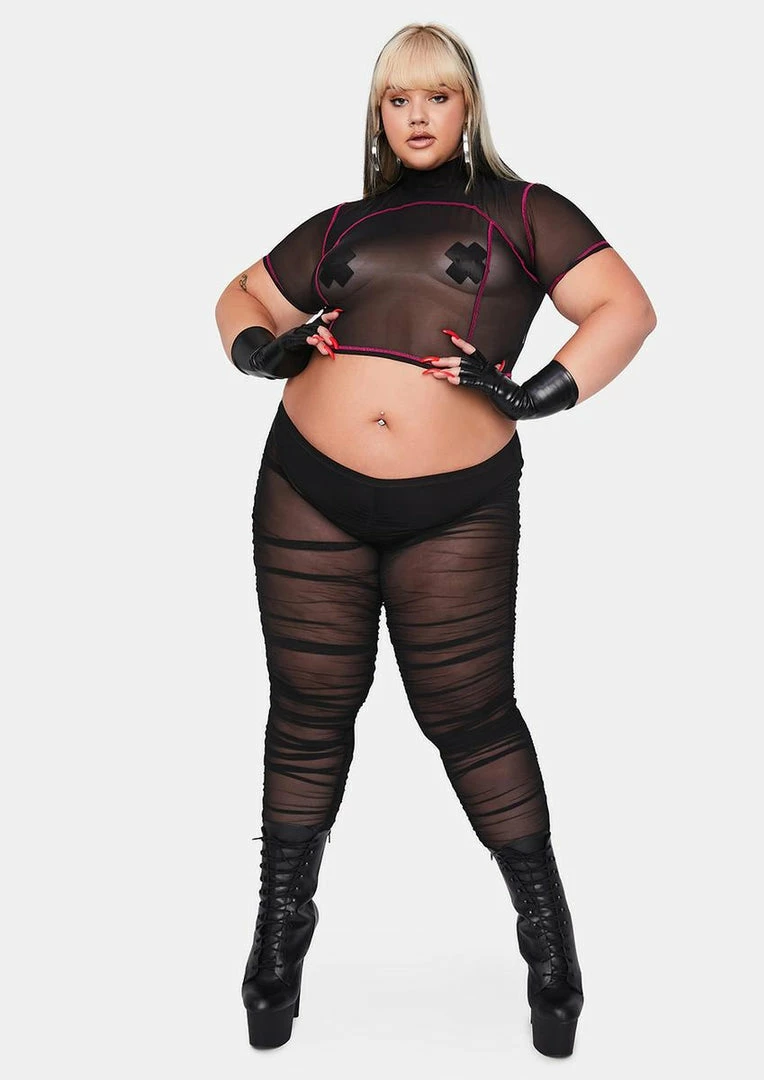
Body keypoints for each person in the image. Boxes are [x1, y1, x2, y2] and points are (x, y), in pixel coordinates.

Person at [214, 21, 656, 1058]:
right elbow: (238, 295)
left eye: (437, 95)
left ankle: (547, 937)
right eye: (397, 98)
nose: (417, 116)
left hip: (455, 503)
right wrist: (264, 350)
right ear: (379, 114)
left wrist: (534, 393)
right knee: (308, 714)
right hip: (305, 488)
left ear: (468, 105)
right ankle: (279, 932)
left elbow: (624, 309)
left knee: (472, 718)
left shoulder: (525, 212)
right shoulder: (341, 224)